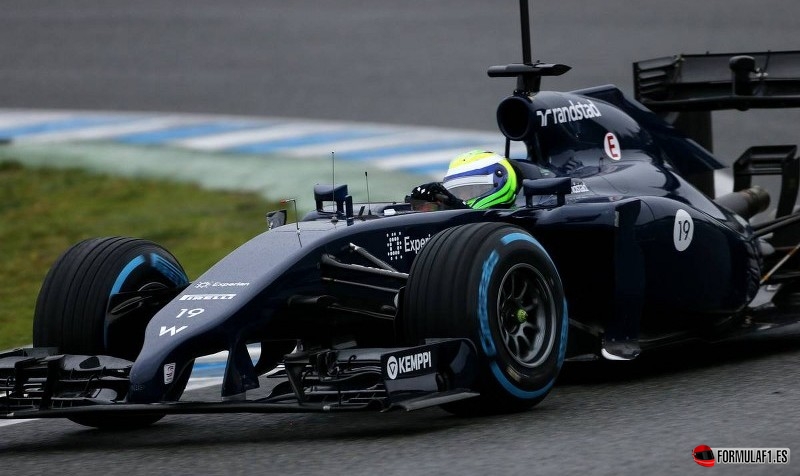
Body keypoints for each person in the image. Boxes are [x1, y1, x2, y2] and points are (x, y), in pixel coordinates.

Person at [408, 150, 520, 211]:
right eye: (457, 191)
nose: (461, 196)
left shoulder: (518, 219)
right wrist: (417, 205)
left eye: (471, 189)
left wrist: (459, 208)